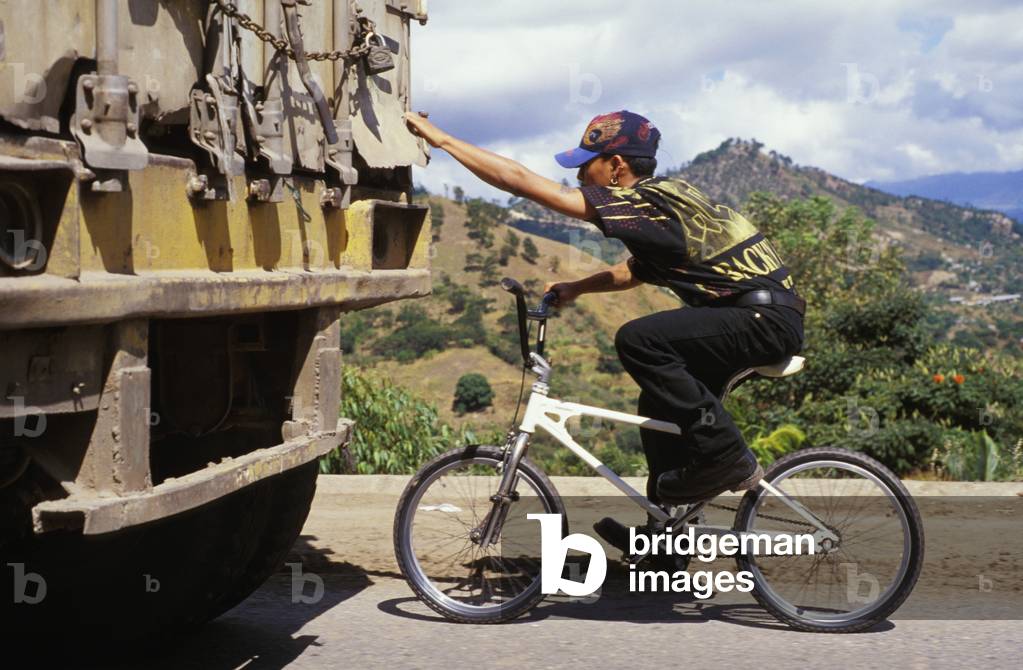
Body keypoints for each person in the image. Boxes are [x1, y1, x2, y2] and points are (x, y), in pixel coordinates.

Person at [404, 109, 804, 554]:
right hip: (762, 317)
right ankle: (664, 543)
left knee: (638, 339)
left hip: (760, 320)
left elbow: (519, 181)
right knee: (658, 410)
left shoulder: (643, 203)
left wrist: (442, 140)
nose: (578, 176)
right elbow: (632, 271)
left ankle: (726, 457)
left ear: (616, 166)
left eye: (586, 165)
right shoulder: (666, 201)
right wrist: (578, 287)